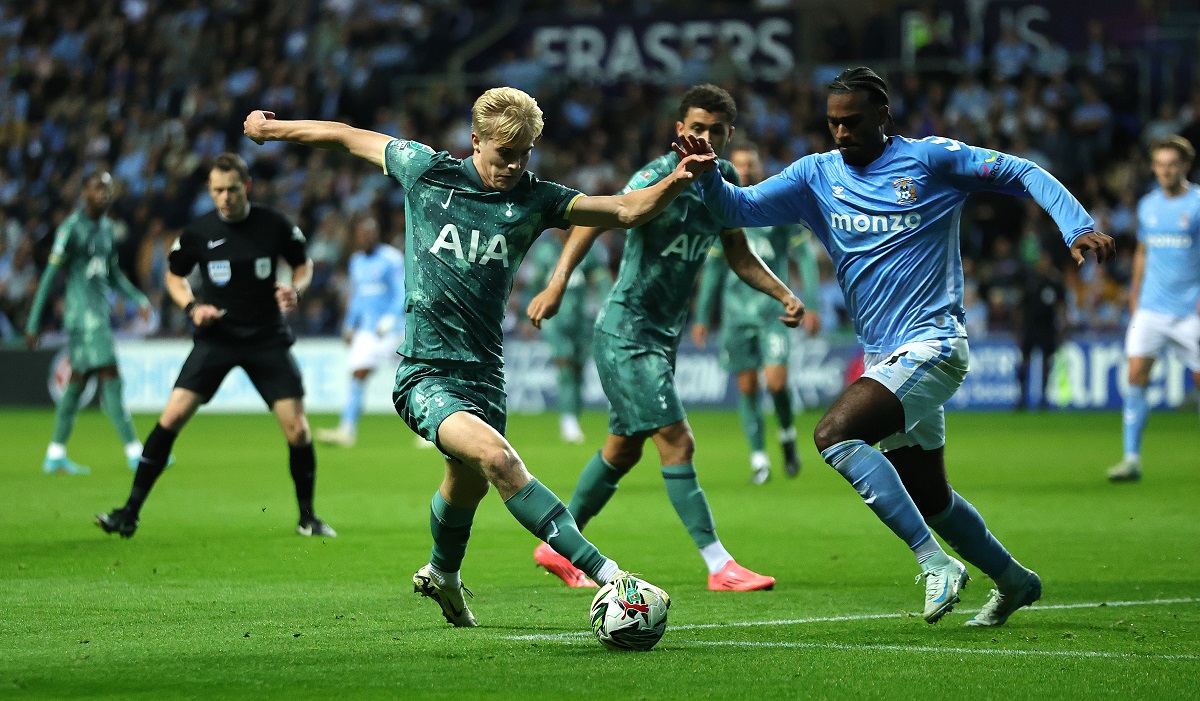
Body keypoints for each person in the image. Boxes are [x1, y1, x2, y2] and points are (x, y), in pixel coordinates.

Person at [237, 87, 709, 626]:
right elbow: (345, 137)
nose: (514, 166)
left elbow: (625, 210)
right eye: (504, 154)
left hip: (486, 375)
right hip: (426, 373)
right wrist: (270, 130)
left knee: (466, 487)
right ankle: (611, 577)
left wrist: (677, 178)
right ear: (475, 140)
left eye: (525, 154)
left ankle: (443, 574)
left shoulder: (537, 198)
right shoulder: (425, 170)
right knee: (500, 461)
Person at [694, 67, 1114, 625]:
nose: (841, 132)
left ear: (883, 116)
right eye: (832, 123)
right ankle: (1015, 580)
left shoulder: (931, 160)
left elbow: (1020, 172)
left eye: (852, 121)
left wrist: (1074, 224)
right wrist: (705, 176)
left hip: (934, 344)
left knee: (834, 433)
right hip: (883, 354)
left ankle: (936, 564)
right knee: (930, 495)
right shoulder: (815, 175)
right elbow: (737, 210)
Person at [527, 85, 803, 592]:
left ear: (728, 135)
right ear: (680, 130)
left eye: (715, 131)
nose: (704, 137)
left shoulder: (724, 181)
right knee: (677, 441)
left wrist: (783, 293)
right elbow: (593, 221)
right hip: (627, 331)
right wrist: (558, 281)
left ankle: (555, 544)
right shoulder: (656, 176)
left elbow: (738, 254)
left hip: (660, 337)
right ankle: (720, 565)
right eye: (696, 128)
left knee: (623, 450)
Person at [95, 153, 336, 539]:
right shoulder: (197, 233)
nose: (225, 197)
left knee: (298, 431)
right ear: (210, 191)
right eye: (217, 191)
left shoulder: (274, 225)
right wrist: (192, 307)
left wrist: (296, 289)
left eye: (232, 189)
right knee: (170, 418)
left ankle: (308, 517)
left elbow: (302, 264)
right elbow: (175, 277)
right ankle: (129, 512)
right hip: (217, 338)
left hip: (266, 338)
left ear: (247, 188)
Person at [692, 142, 822, 484]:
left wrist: (812, 303)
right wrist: (703, 316)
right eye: (739, 164)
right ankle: (759, 460)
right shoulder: (723, 210)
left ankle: (787, 436)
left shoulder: (778, 207)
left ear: (760, 167)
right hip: (736, 315)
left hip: (771, 313)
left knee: (777, 384)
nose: (745, 170)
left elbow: (805, 258)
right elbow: (715, 270)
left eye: (751, 164)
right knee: (747, 387)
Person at [26, 171, 151, 475]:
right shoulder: (71, 229)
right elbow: (49, 277)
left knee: (76, 383)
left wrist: (138, 298)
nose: (104, 194)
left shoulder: (107, 229)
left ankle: (55, 454)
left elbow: (113, 275)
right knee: (111, 373)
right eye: (97, 188)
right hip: (84, 317)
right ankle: (136, 453)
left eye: (107, 189)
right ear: (83, 194)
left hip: (97, 314)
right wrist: (33, 322)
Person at [1107, 135, 1200, 482]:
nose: (1165, 170)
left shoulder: (1197, 204)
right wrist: (1135, 294)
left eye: (1172, 164)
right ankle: (1131, 458)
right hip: (1150, 308)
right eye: (1160, 164)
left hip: (1191, 310)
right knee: (1135, 376)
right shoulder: (1148, 205)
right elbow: (1143, 253)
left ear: (1185, 166)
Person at [316, 214, 405, 448]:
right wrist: (349, 324)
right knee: (357, 375)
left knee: (413, 378)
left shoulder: (391, 259)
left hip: (392, 330)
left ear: (376, 235)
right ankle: (346, 430)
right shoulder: (356, 261)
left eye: (370, 234)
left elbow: (401, 291)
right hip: (367, 331)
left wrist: (391, 318)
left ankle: (433, 432)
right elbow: (357, 297)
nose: (365, 239)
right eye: (361, 235)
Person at [520, 227, 611, 443]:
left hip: (582, 316)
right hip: (555, 318)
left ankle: (574, 416)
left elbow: (602, 280)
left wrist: (608, 307)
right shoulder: (545, 251)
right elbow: (534, 285)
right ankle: (568, 420)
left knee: (578, 369)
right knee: (565, 364)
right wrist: (527, 318)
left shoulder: (591, 247)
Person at [1015, 250, 1067, 410]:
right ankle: (1022, 397)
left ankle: (1044, 398)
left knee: (1046, 362)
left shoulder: (1055, 283)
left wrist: (1063, 326)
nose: (1042, 264)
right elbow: (1021, 307)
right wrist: (1018, 328)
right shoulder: (1030, 282)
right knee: (1024, 361)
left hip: (1047, 328)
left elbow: (1061, 307)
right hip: (1030, 327)